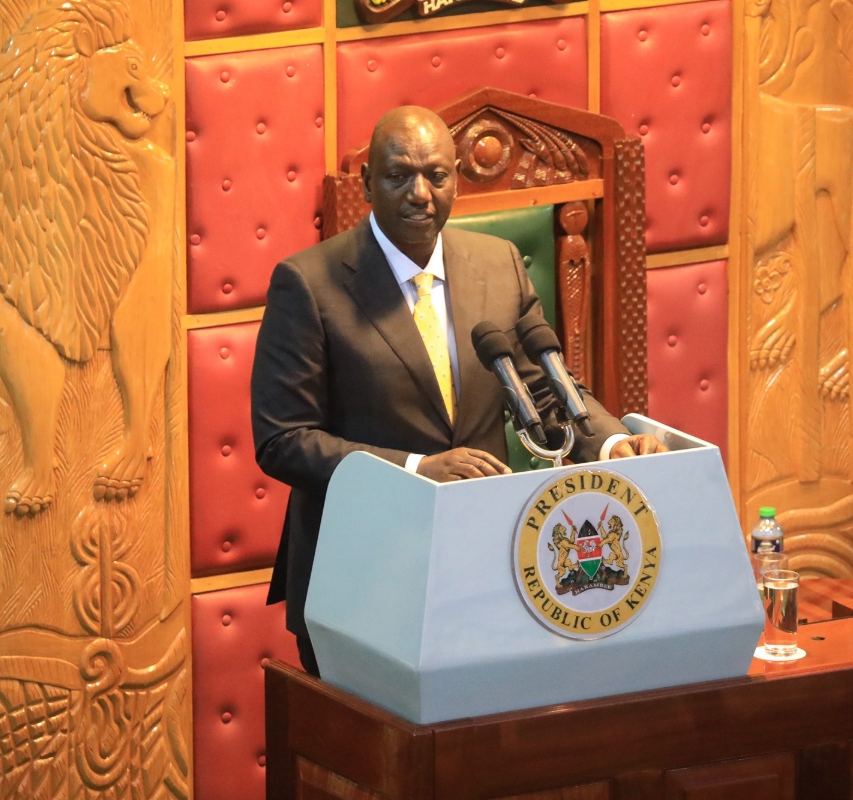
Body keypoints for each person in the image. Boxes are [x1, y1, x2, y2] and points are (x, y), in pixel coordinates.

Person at [250, 106, 667, 677]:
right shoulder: (309, 284)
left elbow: (546, 387)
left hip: (484, 567)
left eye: (437, 176)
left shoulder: (497, 264)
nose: (420, 194)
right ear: (370, 183)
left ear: (456, 180)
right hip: (362, 576)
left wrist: (616, 445)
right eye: (399, 176)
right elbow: (283, 439)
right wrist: (417, 469)